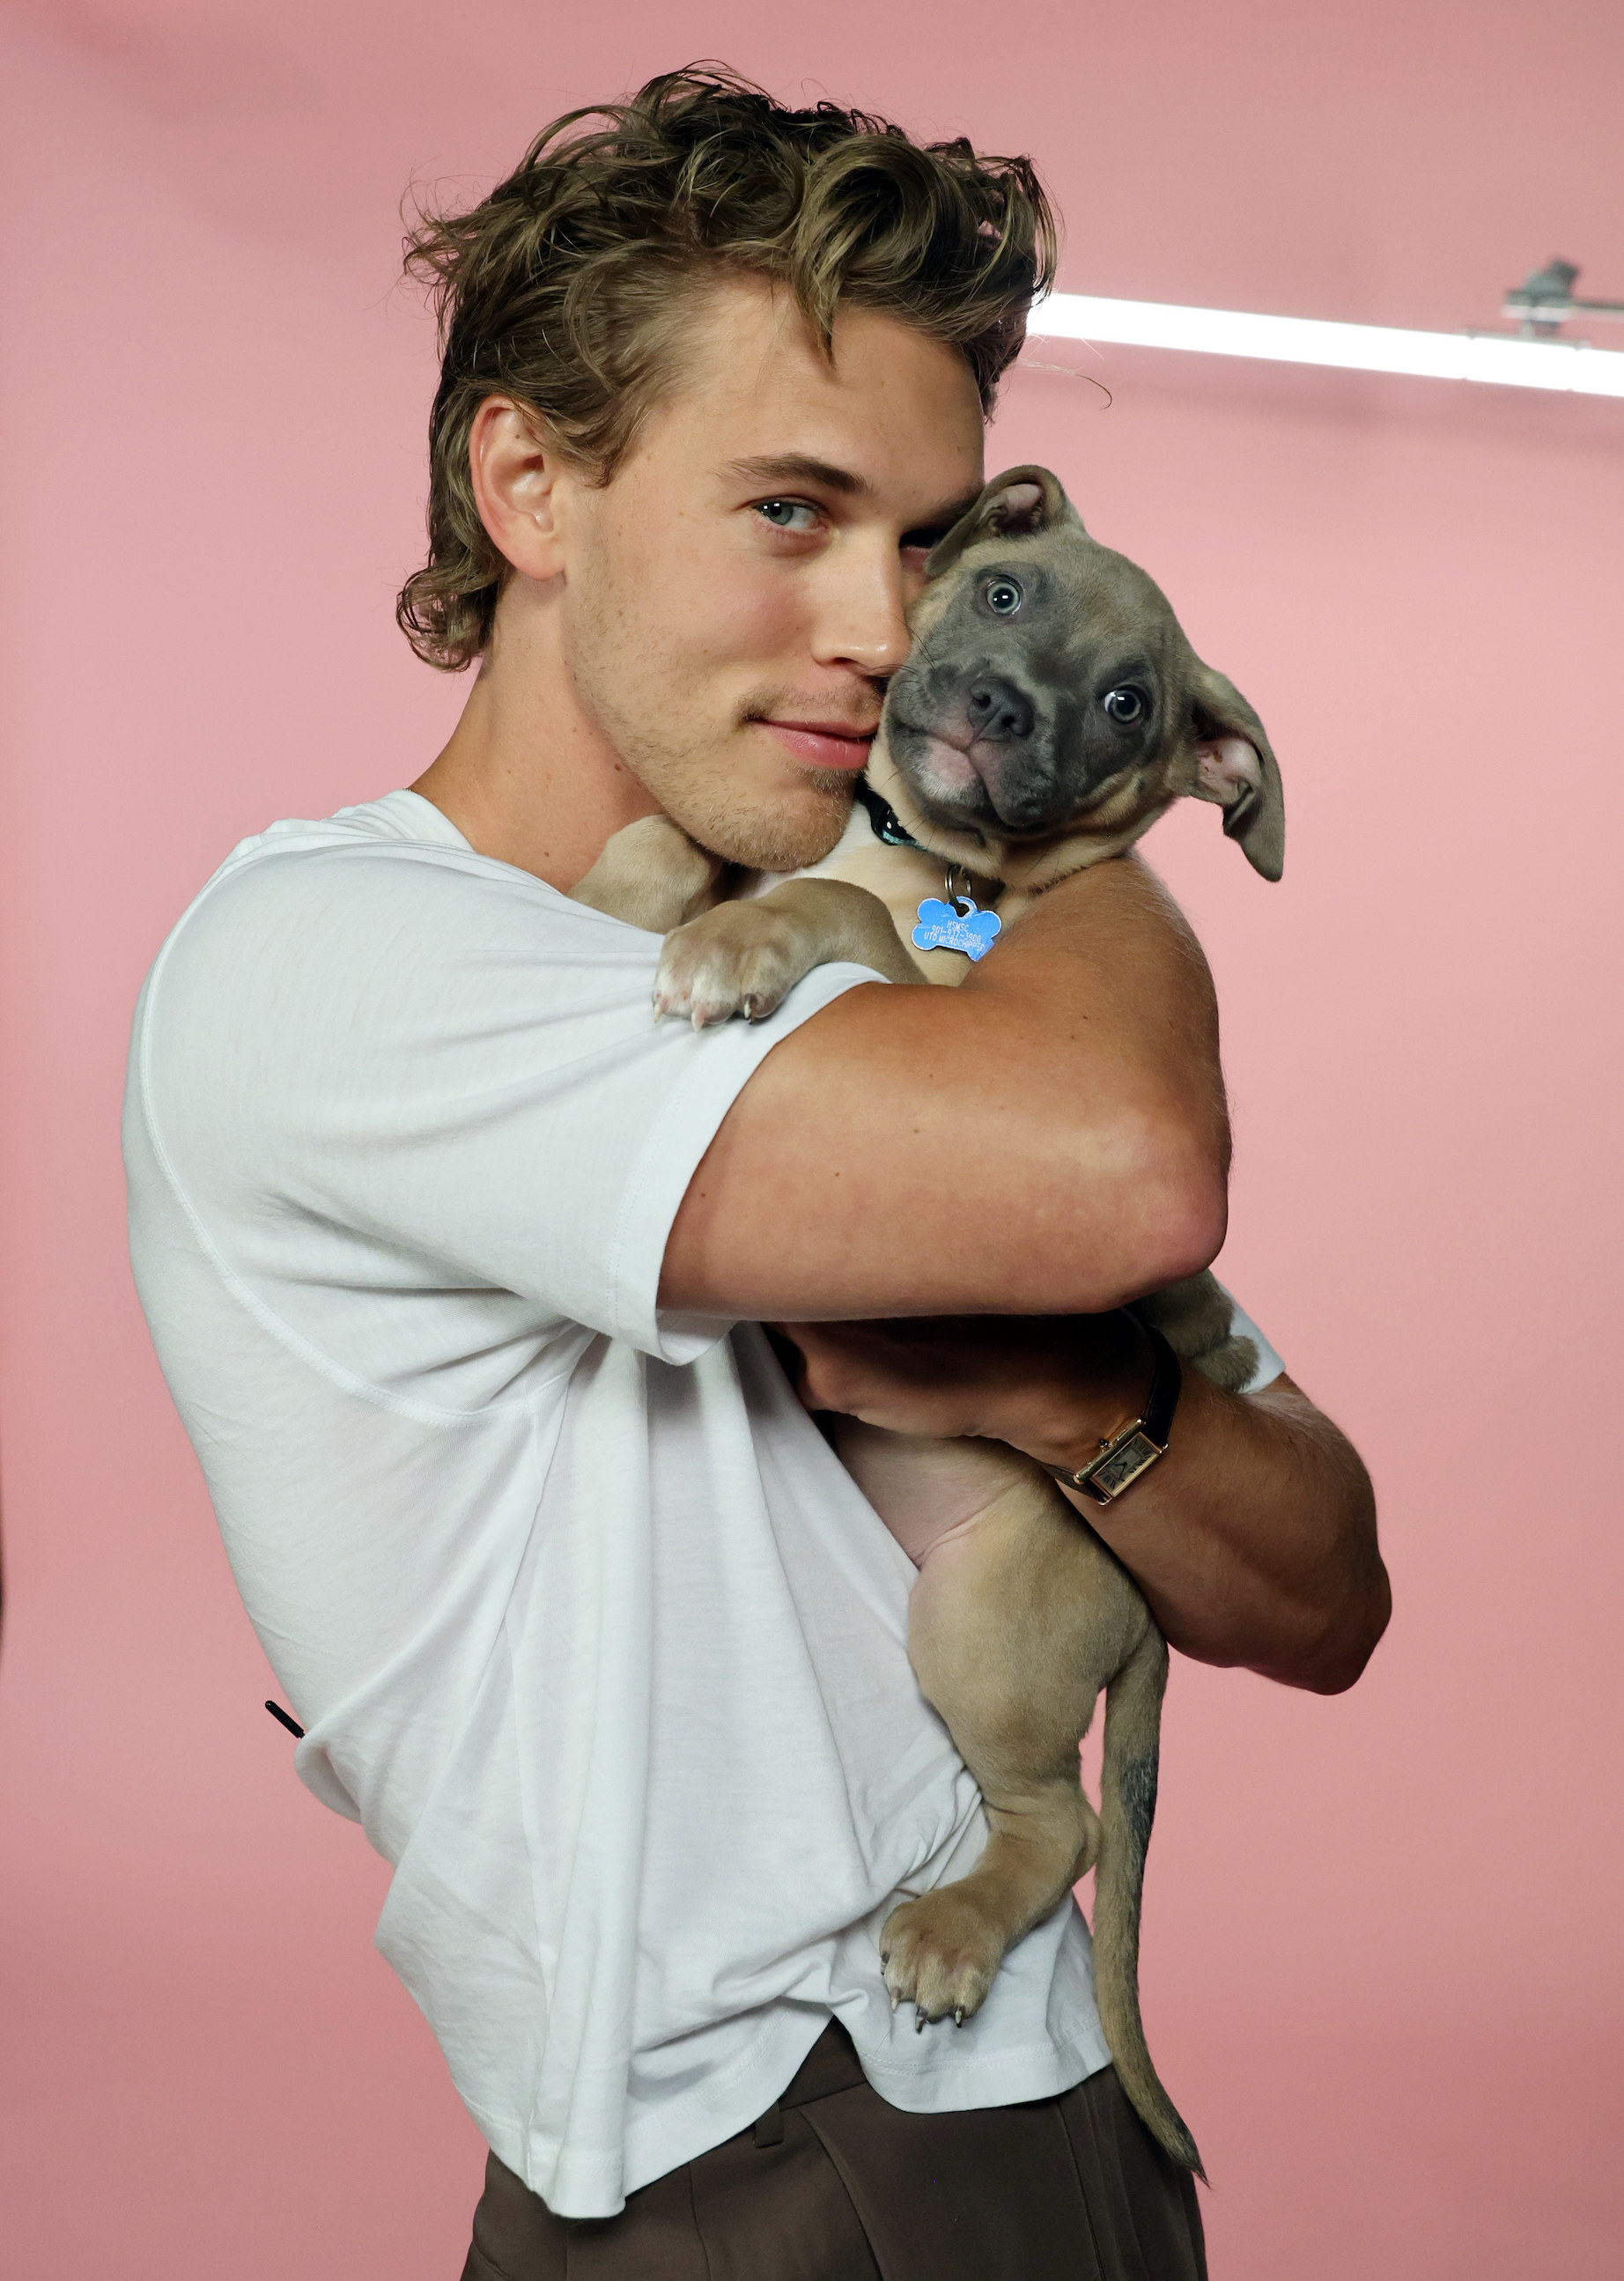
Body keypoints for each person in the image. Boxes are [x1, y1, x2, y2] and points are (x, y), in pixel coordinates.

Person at [123, 67, 1389, 2280]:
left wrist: (1051, 1393)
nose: (897, 637)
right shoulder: (338, 963)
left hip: (1023, 2102)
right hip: (761, 2160)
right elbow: (1123, 1165)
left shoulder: (858, 962)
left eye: (934, 542)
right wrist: (1067, 800)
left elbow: (1322, 1584)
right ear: (526, 479)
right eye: (791, 514)